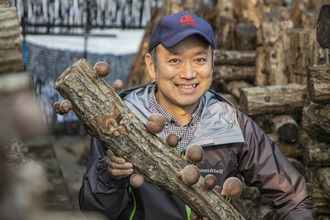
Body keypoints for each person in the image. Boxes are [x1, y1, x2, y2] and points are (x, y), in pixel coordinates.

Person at [79, 12, 317, 220]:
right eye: (174, 60)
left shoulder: (230, 124)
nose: (189, 73)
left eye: (200, 59)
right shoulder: (120, 120)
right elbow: (94, 212)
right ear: (152, 67)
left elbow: (293, 199)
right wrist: (109, 175)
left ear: (212, 63)